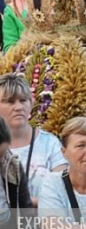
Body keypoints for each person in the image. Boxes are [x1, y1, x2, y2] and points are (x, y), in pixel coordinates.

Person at [0, 75, 66, 205]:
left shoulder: (50, 144)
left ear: (31, 103)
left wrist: (27, 203)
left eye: (23, 100)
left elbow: (63, 192)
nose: (18, 107)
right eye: (10, 101)